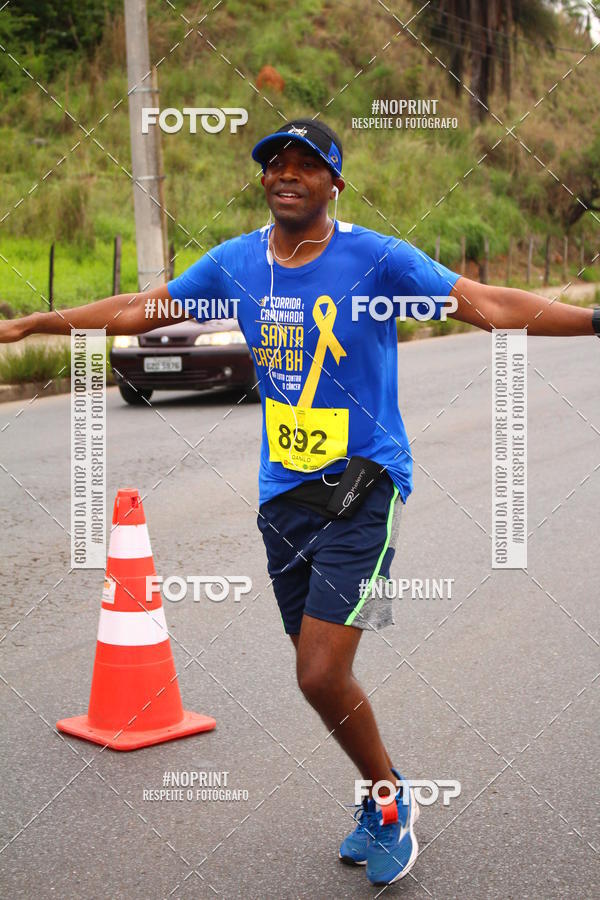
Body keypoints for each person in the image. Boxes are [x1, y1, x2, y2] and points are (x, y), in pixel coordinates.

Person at [1, 118, 598, 885]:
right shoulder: (237, 263)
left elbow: (487, 304)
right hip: (281, 497)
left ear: (333, 183)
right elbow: (144, 309)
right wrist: (41, 324)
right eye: (275, 164)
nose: (287, 174)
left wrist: (593, 320)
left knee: (317, 675)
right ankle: (381, 791)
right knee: (324, 678)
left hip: (364, 487)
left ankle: (389, 803)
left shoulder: (375, 257)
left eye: (305, 165)